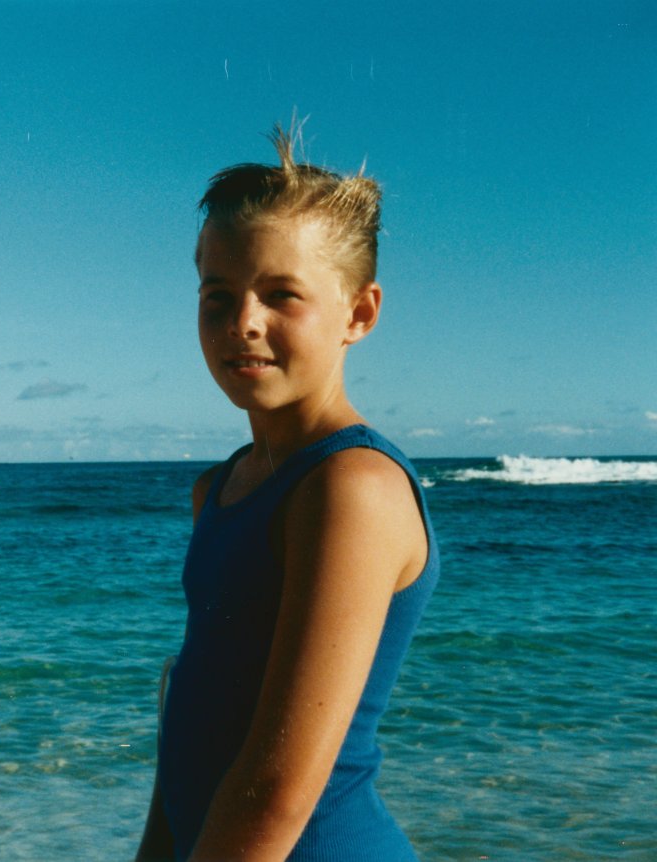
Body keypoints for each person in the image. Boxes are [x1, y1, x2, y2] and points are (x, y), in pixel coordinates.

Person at [136, 126, 440, 861]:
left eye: (281, 295)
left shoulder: (351, 488)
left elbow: (277, 788)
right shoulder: (220, 488)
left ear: (359, 315)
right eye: (219, 296)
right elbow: (191, 730)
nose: (244, 321)